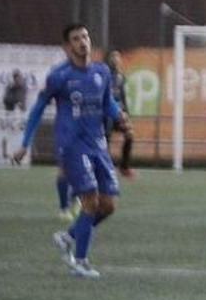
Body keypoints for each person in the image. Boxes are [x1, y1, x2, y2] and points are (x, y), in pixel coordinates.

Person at [12, 24, 129, 279]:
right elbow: (38, 109)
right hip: (72, 147)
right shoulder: (59, 76)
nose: (82, 42)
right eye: (76, 39)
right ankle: (81, 261)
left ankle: (68, 237)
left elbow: (107, 102)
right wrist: (24, 143)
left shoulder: (101, 71)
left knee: (108, 205)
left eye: (85, 37)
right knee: (90, 201)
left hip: (98, 144)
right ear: (67, 47)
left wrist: (118, 114)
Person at [105, 48, 137, 179]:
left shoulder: (121, 77)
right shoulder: (105, 75)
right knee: (105, 139)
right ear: (109, 60)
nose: (116, 59)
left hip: (118, 113)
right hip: (106, 113)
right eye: (113, 57)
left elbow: (123, 96)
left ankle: (124, 167)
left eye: (118, 57)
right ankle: (105, 168)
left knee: (129, 134)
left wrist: (126, 113)